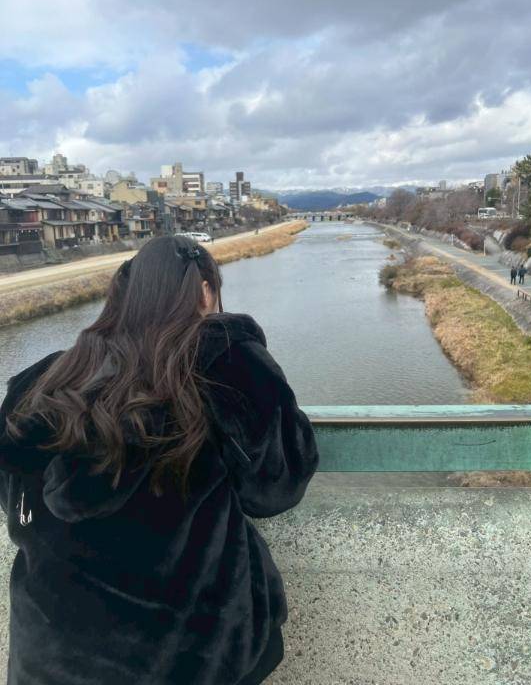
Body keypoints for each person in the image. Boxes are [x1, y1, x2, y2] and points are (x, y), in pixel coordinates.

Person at [0, 235, 319, 685]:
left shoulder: (42, 381)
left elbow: (14, 499)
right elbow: (277, 486)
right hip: (182, 657)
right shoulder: (218, 363)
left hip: (48, 654)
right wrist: (236, 345)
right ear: (205, 292)